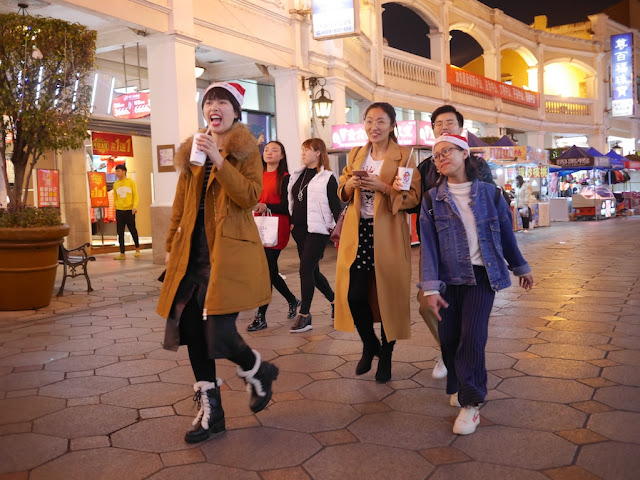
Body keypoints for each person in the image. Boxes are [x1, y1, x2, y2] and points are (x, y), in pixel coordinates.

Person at [156, 82, 279, 444]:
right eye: (209, 101)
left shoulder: (245, 151)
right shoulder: (193, 150)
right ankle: (214, 413)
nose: (214, 106)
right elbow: (181, 202)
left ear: (235, 111)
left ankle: (258, 370)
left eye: (222, 101)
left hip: (227, 255)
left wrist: (219, 160)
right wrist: (169, 243)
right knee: (193, 332)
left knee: (219, 335)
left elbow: (249, 196)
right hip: (191, 256)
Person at [419, 134, 533, 435]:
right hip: (447, 280)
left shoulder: (491, 195)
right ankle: (458, 383)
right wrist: (429, 288)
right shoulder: (431, 200)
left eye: (448, 151)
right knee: (448, 338)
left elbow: (506, 235)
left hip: (481, 276)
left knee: (472, 336)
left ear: (464, 153)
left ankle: (472, 403)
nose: (442, 157)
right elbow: (428, 247)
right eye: (437, 155)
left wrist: (520, 266)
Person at [334, 102, 421, 383]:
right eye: (369, 121)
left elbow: (413, 198)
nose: (375, 127)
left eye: (381, 121)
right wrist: (350, 186)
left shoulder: (405, 157)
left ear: (393, 125)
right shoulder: (357, 154)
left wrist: (382, 188)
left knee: (389, 298)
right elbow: (342, 189)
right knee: (354, 295)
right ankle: (369, 343)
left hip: (389, 234)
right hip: (359, 233)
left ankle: (386, 355)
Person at [410, 104, 497, 380]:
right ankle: (448, 350)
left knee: (468, 318)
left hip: (473, 254)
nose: (444, 127)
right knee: (427, 303)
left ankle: (463, 366)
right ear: (432, 129)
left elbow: (491, 204)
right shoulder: (425, 166)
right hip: (436, 248)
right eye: (438, 124)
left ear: (461, 129)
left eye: (450, 123)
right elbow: (415, 205)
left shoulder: (478, 165)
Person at [288, 138, 342, 333]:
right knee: (312, 270)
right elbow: (294, 201)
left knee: (305, 269)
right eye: (302, 150)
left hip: (318, 231)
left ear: (318, 152)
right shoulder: (298, 175)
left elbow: (336, 206)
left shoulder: (327, 177)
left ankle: (305, 315)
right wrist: (292, 222)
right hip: (299, 231)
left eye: (306, 150)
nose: (302, 154)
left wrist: (339, 232)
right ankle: (335, 301)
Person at [247, 141, 300, 331]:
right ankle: (292, 300)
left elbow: (287, 207)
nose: (269, 153)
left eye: (274, 150)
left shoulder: (285, 177)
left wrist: (266, 206)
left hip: (276, 228)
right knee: (270, 270)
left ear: (282, 156)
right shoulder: (256, 175)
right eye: (267, 150)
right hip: (257, 226)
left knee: (266, 271)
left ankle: (260, 317)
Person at [112, 164, 141, 260]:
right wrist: (115, 210)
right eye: (116, 171)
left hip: (129, 210)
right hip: (119, 211)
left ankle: (137, 249)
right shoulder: (115, 184)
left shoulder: (131, 182)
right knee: (120, 232)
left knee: (133, 229)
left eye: (118, 171)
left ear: (124, 171)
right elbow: (115, 198)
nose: (117, 173)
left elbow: (135, 195)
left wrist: (135, 206)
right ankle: (122, 253)